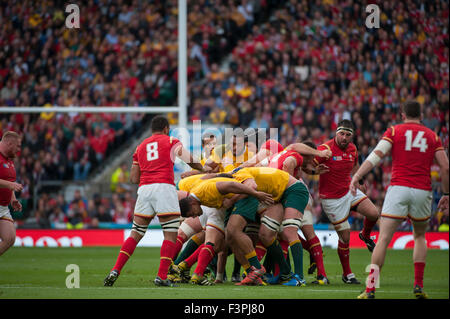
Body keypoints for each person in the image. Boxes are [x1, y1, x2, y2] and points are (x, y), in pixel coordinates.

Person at [351, 101, 449, 299]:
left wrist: (356, 176)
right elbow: (445, 168)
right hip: (423, 190)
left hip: (399, 188)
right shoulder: (433, 136)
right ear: (421, 115)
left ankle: (370, 289)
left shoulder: (395, 131)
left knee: (384, 239)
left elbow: (376, 156)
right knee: (420, 237)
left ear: (403, 115)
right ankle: (418, 286)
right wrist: (446, 194)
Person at [104, 116, 206, 287]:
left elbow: (134, 178)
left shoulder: (140, 147)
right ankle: (161, 276)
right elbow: (191, 160)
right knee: (170, 234)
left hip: (144, 190)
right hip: (164, 188)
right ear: (166, 128)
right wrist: (203, 169)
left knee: (135, 233)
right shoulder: (171, 140)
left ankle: (115, 269)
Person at [174, 176, 274, 285]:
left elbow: (232, 185)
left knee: (232, 233)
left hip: (247, 198)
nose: (193, 216)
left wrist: (256, 194)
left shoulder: (205, 190)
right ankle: (252, 274)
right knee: (223, 241)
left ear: (192, 204)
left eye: (191, 214)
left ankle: (257, 268)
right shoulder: (199, 196)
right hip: (233, 204)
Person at [314, 119, 380, 285]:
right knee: (345, 237)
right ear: (336, 132)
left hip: (349, 190)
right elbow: (308, 166)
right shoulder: (325, 149)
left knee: (374, 213)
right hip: (331, 199)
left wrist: (359, 181)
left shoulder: (353, 149)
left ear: (352, 136)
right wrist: (315, 170)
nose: (344, 137)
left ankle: (365, 235)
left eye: (347, 135)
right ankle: (347, 274)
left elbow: (356, 166)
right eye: (341, 134)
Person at [227, 166, 311, 286]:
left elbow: (251, 187)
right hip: (278, 195)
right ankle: (286, 273)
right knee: (265, 235)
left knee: (289, 231)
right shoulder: (242, 172)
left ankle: (299, 278)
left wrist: (231, 201)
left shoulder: (240, 173)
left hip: (294, 190)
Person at [0, 131, 23, 256]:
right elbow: (9, 183)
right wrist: (10, 185)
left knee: (9, 238)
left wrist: (12, 198)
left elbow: (9, 181)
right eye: (18, 146)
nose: (19, 149)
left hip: (3, 208)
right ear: (9, 143)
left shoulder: (9, 159)